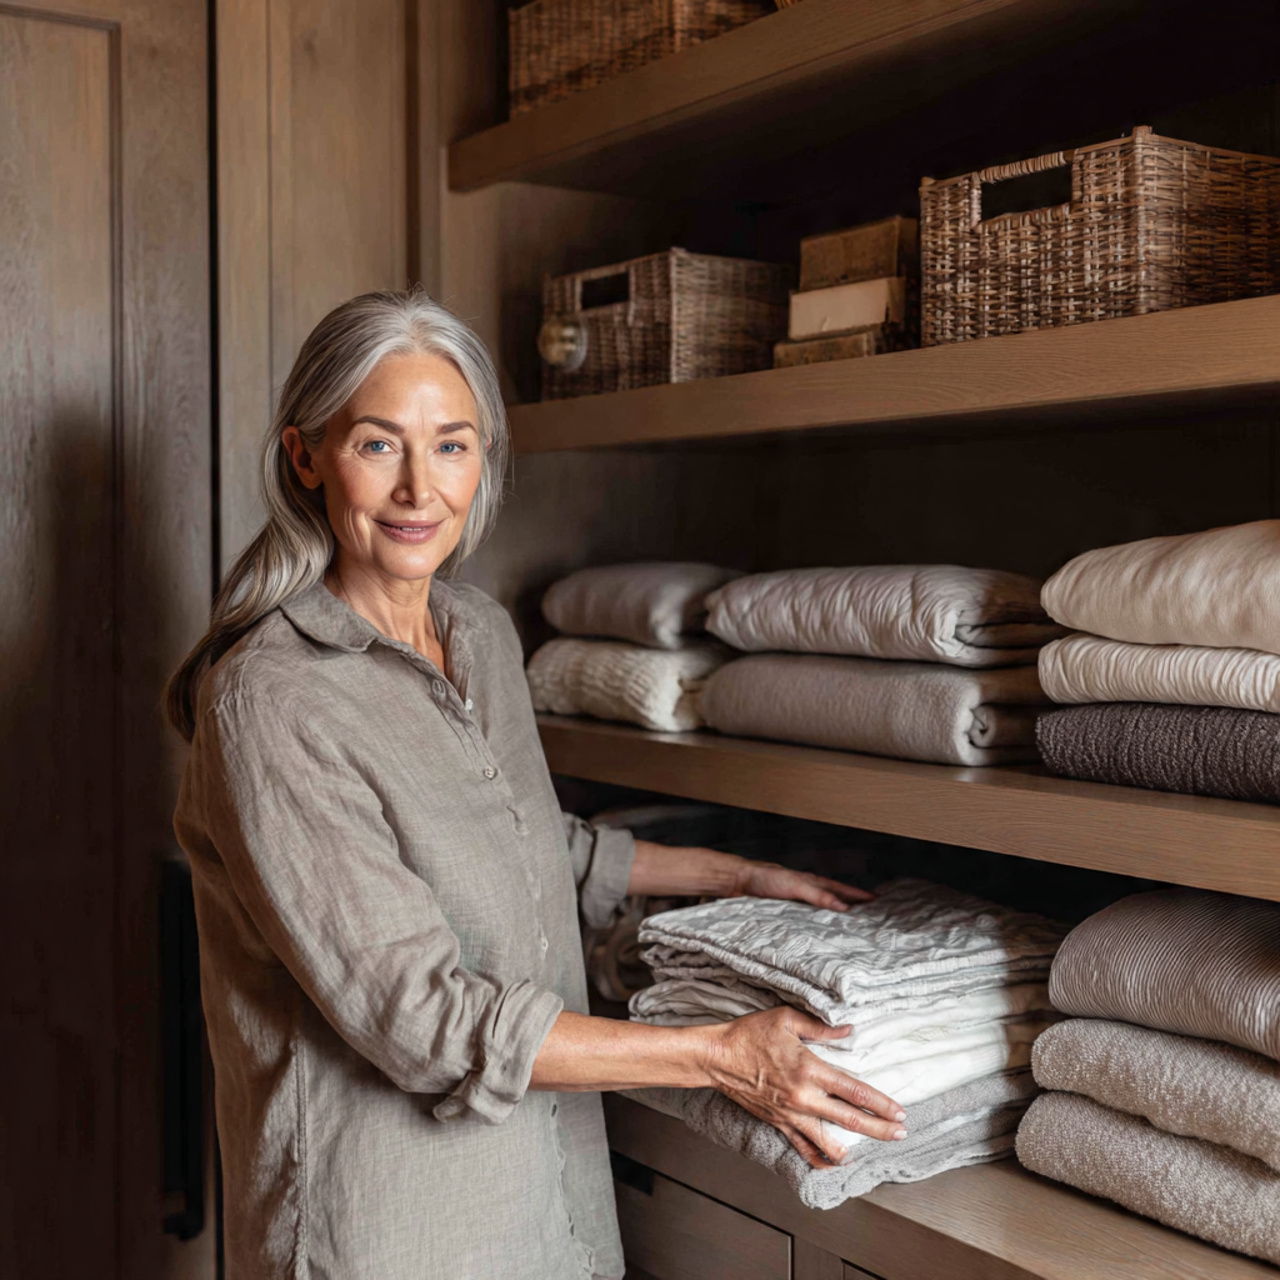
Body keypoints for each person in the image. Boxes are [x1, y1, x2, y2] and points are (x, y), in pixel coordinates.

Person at [167, 289, 907, 1280]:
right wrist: (717, 1051)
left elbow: (521, 840)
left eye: (452, 446)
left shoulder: (478, 634)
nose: (418, 489)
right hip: (390, 1226)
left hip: (543, 1189)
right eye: (378, 445)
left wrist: (728, 876)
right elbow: (416, 1014)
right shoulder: (269, 697)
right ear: (307, 456)